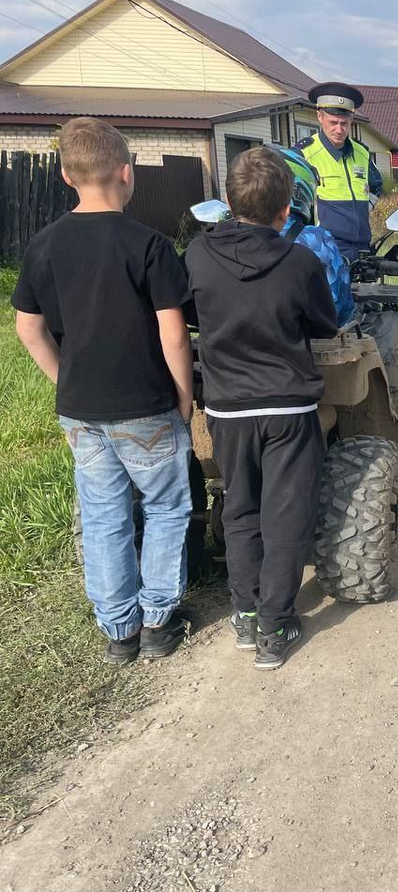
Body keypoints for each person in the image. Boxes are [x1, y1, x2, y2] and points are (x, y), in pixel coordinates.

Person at [11, 117, 194, 664]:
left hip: (81, 411)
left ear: (68, 176)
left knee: (103, 515)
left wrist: (63, 378)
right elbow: (174, 334)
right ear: (126, 173)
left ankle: (119, 631)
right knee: (164, 508)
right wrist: (183, 397)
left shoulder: (43, 245)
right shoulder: (150, 246)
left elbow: (28, 327)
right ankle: (160, 620)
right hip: (146, 405)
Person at [186, 147, 339, 670]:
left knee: (240, 508)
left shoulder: (198, 256)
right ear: (285, 211)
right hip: (289, 410)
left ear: (228, 203)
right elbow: (324, 324)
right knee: (285, 514)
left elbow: (188, 312)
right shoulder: (300, 262)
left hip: (227, 410)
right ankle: (276, 626)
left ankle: (246, 616)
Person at [293, 82, 383, 261]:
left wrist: (364, 209)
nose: (339, 130)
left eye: (344, 123)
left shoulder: (362, 152)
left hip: (362, 247)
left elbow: (376, 186)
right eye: (333, 123)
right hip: (324, 249)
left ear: (351, 119)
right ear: (319, 116)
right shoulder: (304, 154)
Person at [273, 144, 354, 326]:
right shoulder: (316, 241)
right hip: (295, 348)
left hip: (226, 350)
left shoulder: (216, 241)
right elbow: (338, 310)